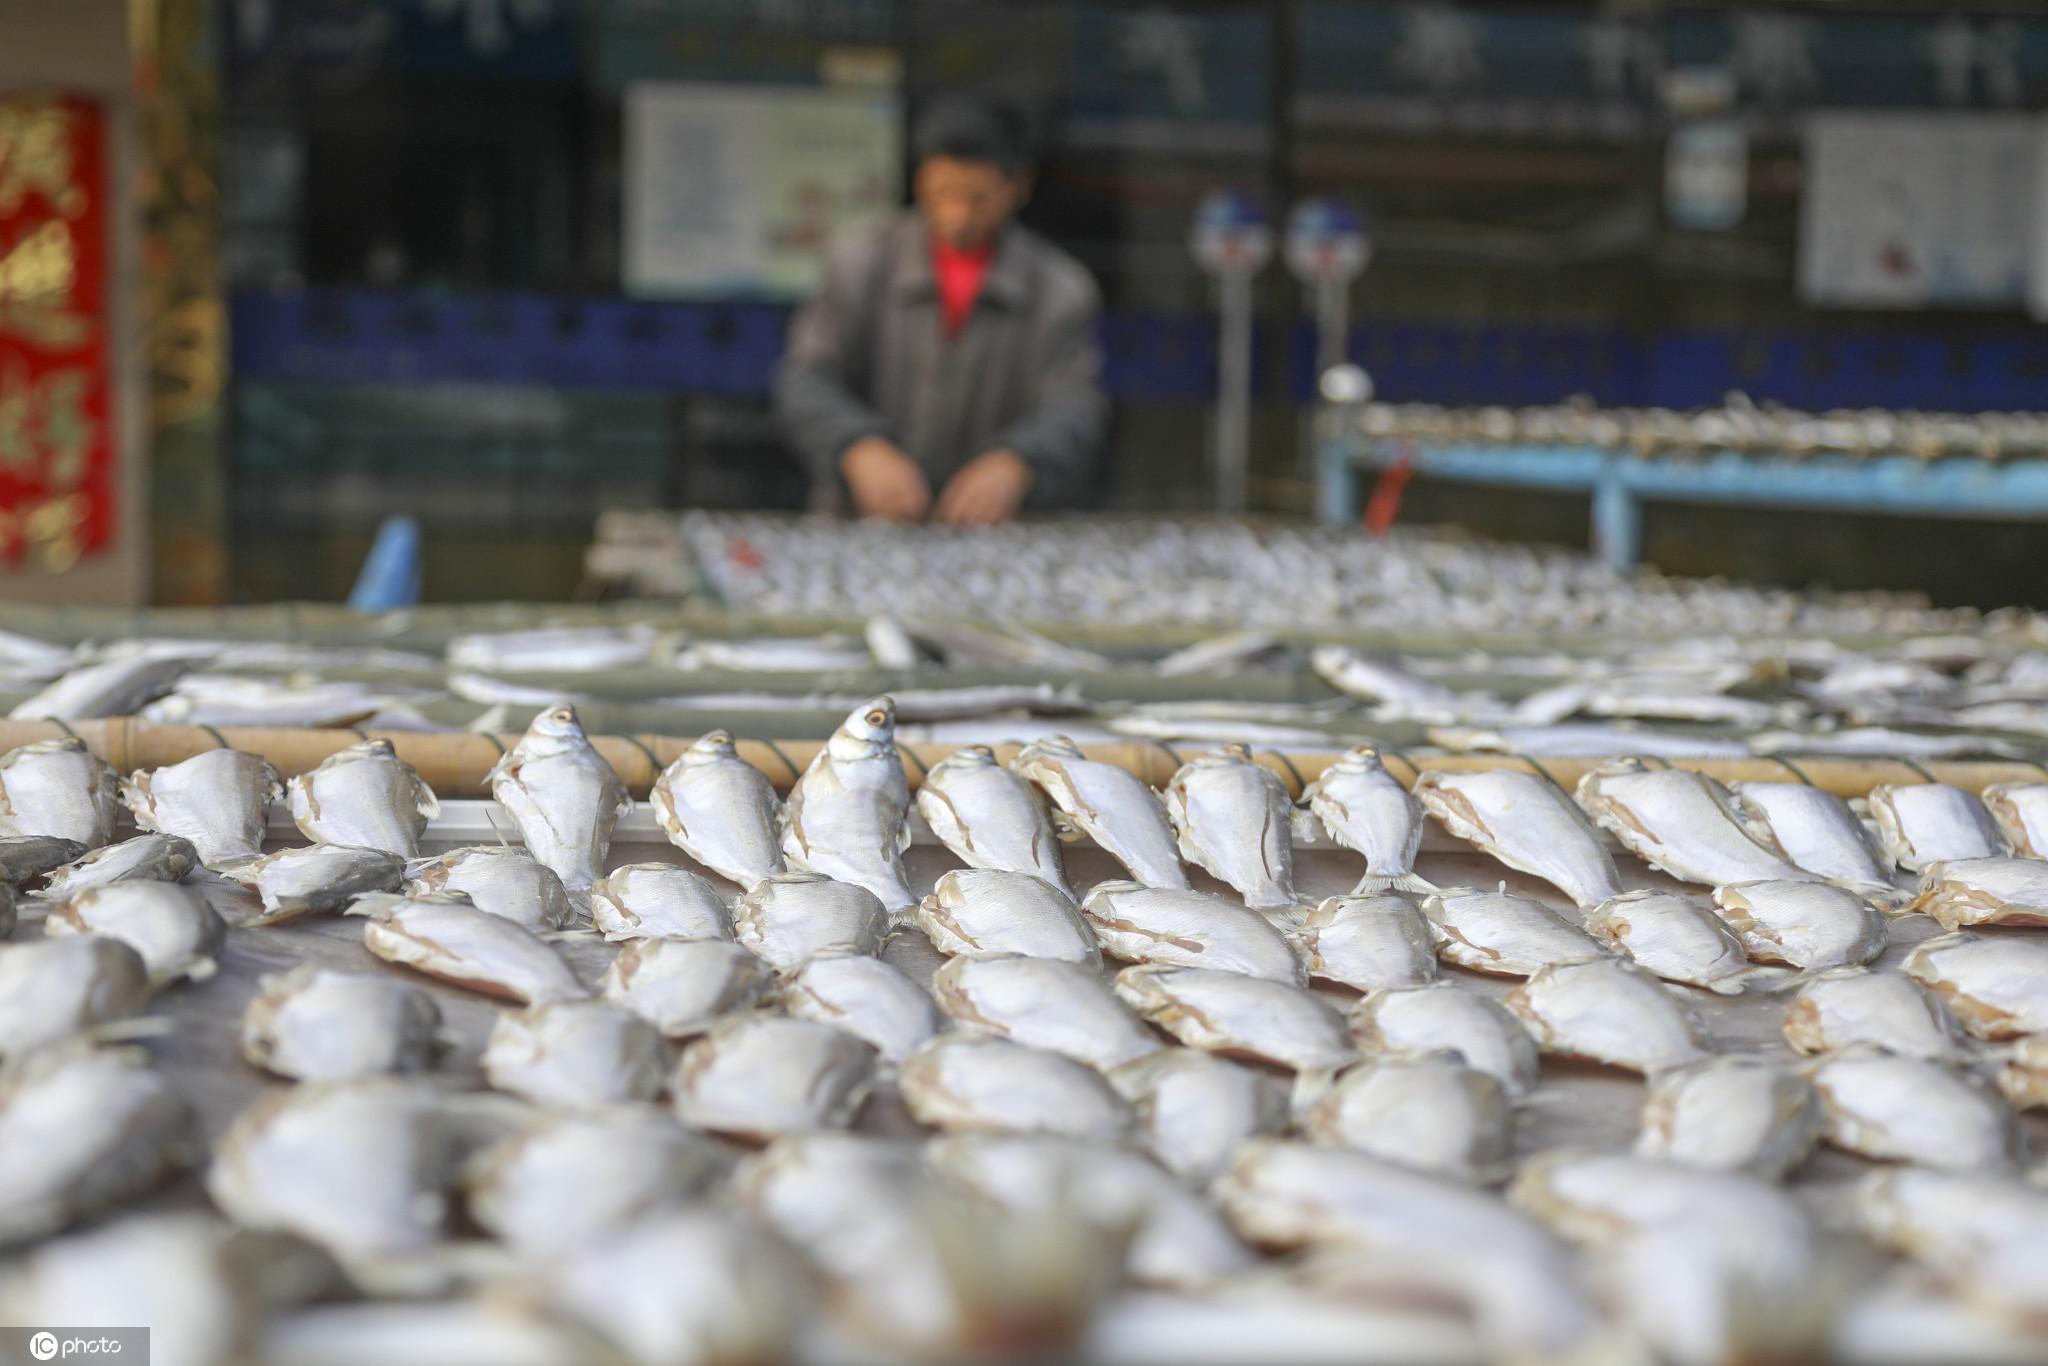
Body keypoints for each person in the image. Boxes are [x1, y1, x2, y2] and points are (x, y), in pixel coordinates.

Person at [773, 95, 1108, 524]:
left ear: (1018, 186)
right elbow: (806, 380)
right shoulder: (858, 266)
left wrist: (1018, 461)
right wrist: (859, 447)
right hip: (863, 523)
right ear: (921, 182)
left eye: (979, 198)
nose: (958, 215)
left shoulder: (1060, 290)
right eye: (943, 192)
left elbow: (1076, 406)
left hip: (996, 533)